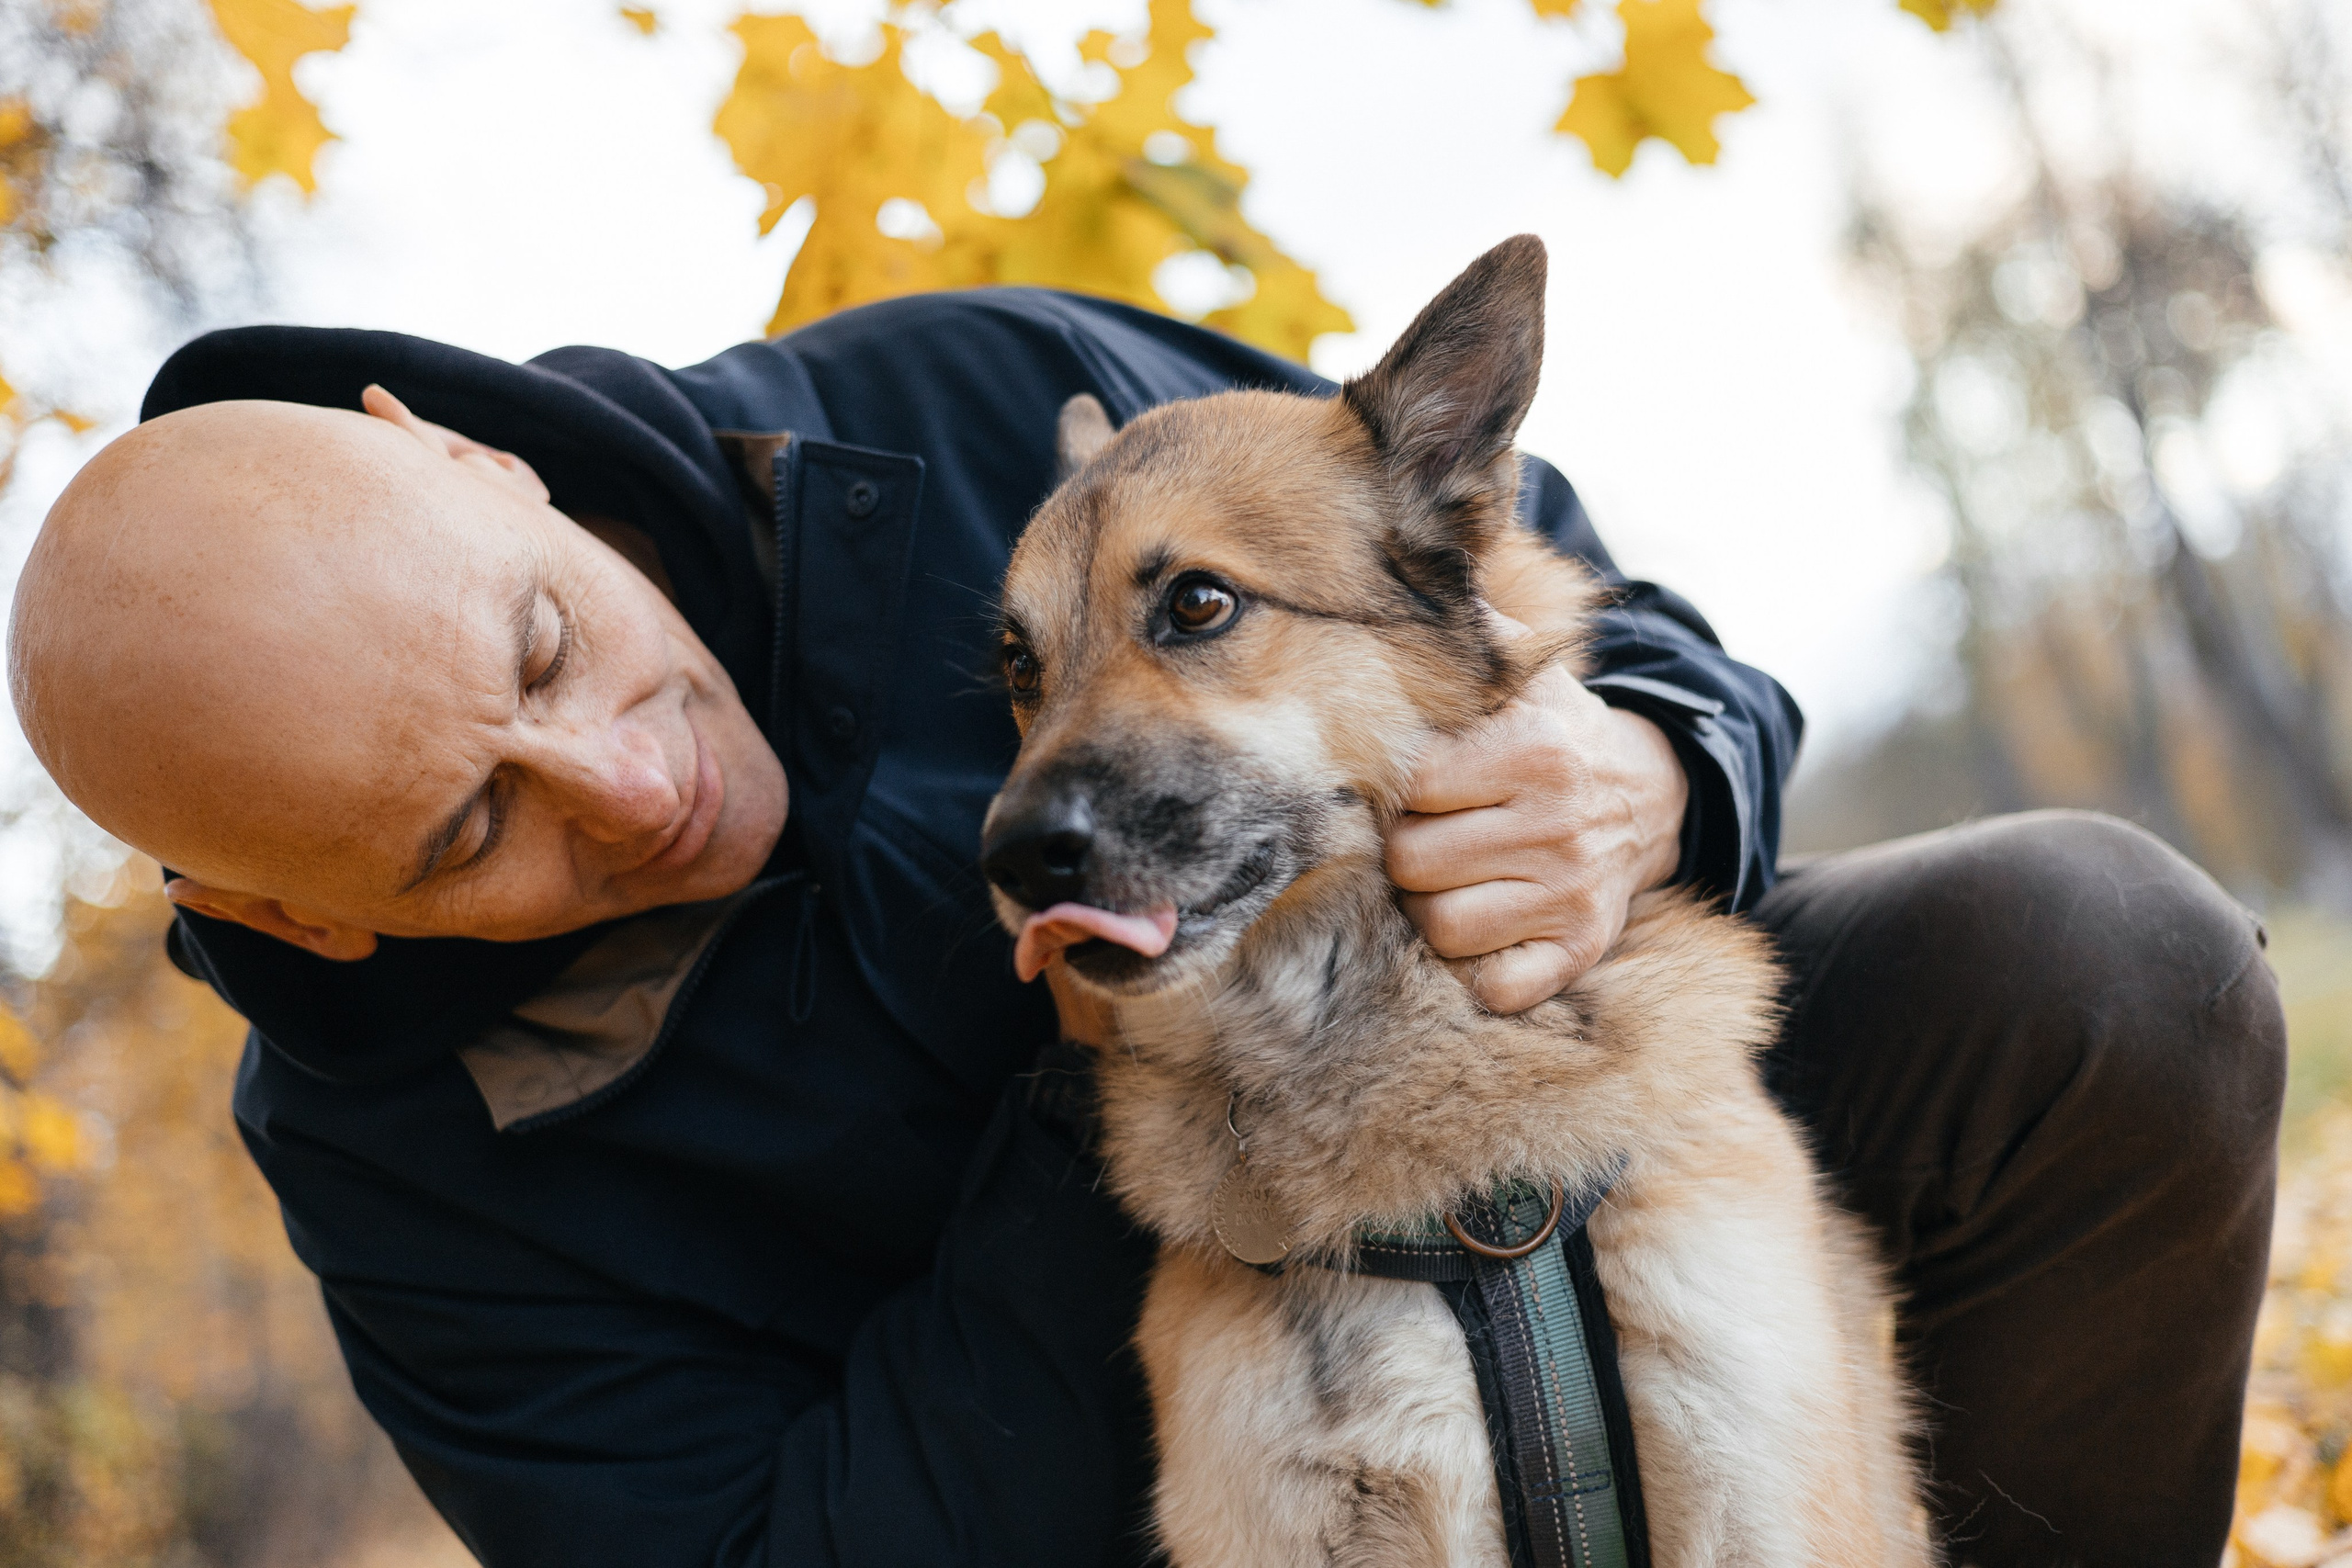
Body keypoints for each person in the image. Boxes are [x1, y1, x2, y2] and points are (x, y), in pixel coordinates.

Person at [8, 287, 2282, 1568]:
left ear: (468, 461)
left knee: (2093, 955)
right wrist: (1108, 1079)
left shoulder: (960, 402)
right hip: (1102, 1471)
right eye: (463, 832)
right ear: (283, 919)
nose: (628, 779)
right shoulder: (413, 1181)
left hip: (1555, 1102)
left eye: (537, 648)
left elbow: (1499, 564)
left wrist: (1651, 759)